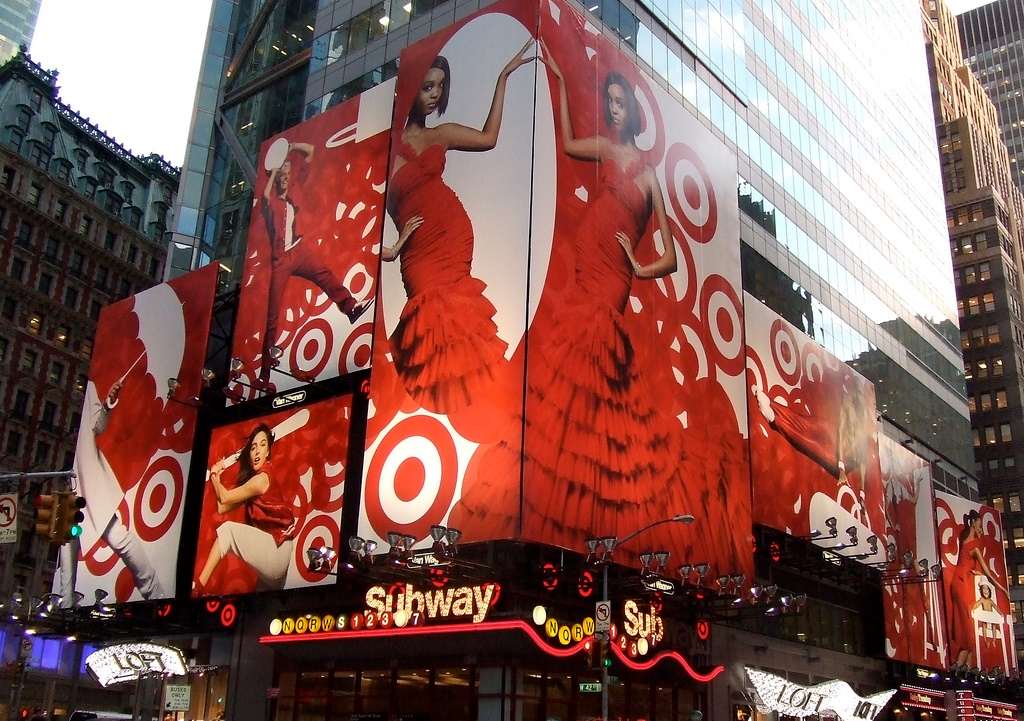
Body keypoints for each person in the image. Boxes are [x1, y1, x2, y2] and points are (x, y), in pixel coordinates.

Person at [455, 45, 720, 561]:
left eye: (620, 102)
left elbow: (670, 256)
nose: (614, 109)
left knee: (593, 369)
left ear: (634, 110)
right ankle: (562, 496)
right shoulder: (602, 148)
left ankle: (594, 506)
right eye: (610, 102)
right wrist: (558, 76)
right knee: (569, 379)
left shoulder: (649, 175)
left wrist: (638, 266)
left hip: (612, 279)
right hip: (585, 270)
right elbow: (569, 139)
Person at [381, 44, 534, 413]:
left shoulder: (441, 134)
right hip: (417, 249)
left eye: (440, 87)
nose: (435, 95)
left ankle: (476, 410)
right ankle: (447, 414)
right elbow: (366, 220)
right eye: (427, 87)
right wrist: (395, 246)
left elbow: (489, 137)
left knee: (458, 322)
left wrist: (503, 78)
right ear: (410, 90)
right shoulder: (382, 148)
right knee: (428, 323)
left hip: (451, 235)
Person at [257, 142, 371, 391]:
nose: (285, 179)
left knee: (324, 274)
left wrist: (291, 146)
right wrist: (275, 171)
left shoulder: (294, 192)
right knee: (273, 315)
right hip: (281, 260)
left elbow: (311, 152)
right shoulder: (271, 202)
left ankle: (350, 308)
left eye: (287, 175)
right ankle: (265, 371)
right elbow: (264, 196)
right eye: (282, 177)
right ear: (277, 179)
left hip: (299, 250)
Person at [74, 377, 166, 599]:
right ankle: (64, 602)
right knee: (67, 545)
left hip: (86, 485)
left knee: (119, 537)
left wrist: (107, 404)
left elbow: (97, 425)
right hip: (64, 489)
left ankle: (156, 595)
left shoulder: (89, 388)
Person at [194, 424, 296, 594]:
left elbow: (224, 497)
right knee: (260, 605)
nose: (257, 452)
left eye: (262, 445)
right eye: (253, 448)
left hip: (277, 551)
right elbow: (222, 506)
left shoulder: (261, 480)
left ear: (268, 452)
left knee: (227, 531)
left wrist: (213, 475)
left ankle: (197, 588)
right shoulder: (254, 483)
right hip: (274, 558)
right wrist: (217, 477)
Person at [948, 510, 1008, 667]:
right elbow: (987, 571)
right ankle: (961, 665)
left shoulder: (964, 538)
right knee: (968, 623)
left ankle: (966, 666)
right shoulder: (975, 546)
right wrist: (1001, 588)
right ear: (974, 523)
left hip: (959, 581)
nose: (981, 530)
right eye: (980, 526)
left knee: (966, 622)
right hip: (962, 583)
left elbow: (971, 562)